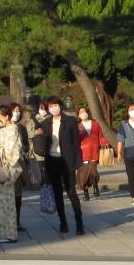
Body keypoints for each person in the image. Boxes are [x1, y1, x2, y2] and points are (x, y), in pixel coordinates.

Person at [41, 95, 85, 235]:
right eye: (50, 106)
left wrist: (78, 162)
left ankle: (79, 223)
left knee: (71, 192)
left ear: (60, 105)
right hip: (52, 160)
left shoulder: (70, 121)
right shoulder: (46, 123)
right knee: (57, 193)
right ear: (48, 109)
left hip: (67, 160)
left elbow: (76, 143)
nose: (54, 108)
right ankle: (63, 222)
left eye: (55, 105)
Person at [0, 104, 24, 243]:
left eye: (0, 116)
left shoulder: (13, 130)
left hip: (6, 168)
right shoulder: (2, 130)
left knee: (5, 203)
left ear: (6, 116)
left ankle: (8, 234)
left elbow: (11, 151)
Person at [75, 104, 103, 201]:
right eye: (81, 112)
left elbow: (101, 135)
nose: (83, 113)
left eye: (84, 111)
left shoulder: (95, 124)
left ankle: (95, 185)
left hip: (94, 150)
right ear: (78, 115)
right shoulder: (77, 126)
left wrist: (104, 143)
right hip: (83, 152)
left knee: (93, 171)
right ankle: (86, 193)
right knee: (83, 174)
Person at [10, 102, 31, 232]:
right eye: (14, 110)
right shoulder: (3, 127)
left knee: (17, 194)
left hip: (19, 163)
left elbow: (27, 145)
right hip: (6, 165)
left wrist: (22, 147)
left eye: (18, 111)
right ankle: (8, 220)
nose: (16, 113)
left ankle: (17, 221)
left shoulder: (22, 128)